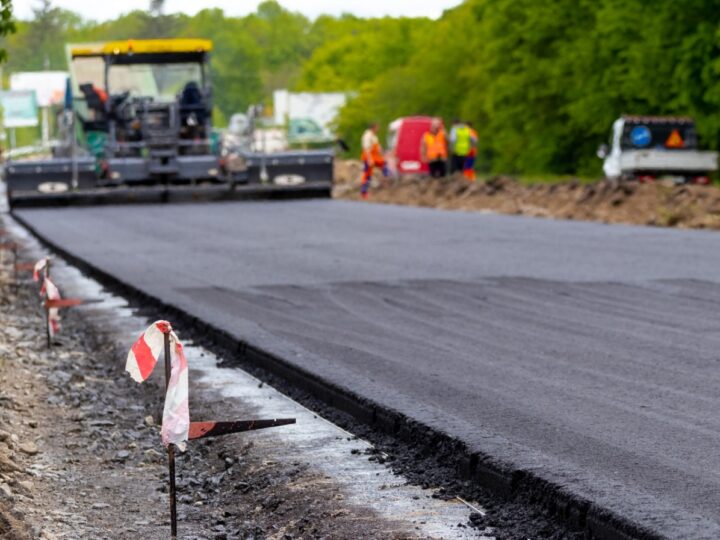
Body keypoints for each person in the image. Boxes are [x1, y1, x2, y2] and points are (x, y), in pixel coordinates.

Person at [360, 122, 389, 199]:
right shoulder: (367, 136)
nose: (378, 129)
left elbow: (378, 147)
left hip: (375, 157)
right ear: (373, 127)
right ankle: (364, 192)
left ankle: (388, 179)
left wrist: (383, 153)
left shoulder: (374, 136)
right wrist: (369, 159)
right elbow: (366, 149)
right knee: (367, 174)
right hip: (369, 157)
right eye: (377, 128)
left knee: (384, 164)